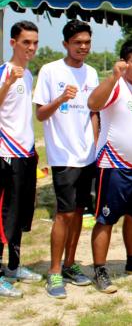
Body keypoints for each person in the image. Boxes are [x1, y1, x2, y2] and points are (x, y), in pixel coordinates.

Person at [33, 20, 99, 298]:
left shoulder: (92, 73)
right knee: (64, 214)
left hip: (87, 156)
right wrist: (60, 99)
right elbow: (40, 114)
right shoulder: (50, 70)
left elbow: (93, 112)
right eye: (77, 43)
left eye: (86, 42)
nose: (83, 47)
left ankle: (70, 264)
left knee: (80, 212)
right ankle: (54, 271)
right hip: (63, 155)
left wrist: (95, 145)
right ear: (65, 44)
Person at [87, 40, 132, 293]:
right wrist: (113, 77)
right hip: (113, 165)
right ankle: (100, 270)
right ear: (124, 63)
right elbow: (93, 104)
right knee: (106, 218)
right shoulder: (116, 86)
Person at [0, 21, 40, 299]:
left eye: (35, 42)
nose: (31, 47)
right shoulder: (4, 72)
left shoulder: (28, 74)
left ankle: (13, 266)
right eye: (26, 42)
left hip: (26, 154)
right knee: (4, 215)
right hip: (7, 154)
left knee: (20, 215)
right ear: (13, 43)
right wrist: (8, 83)